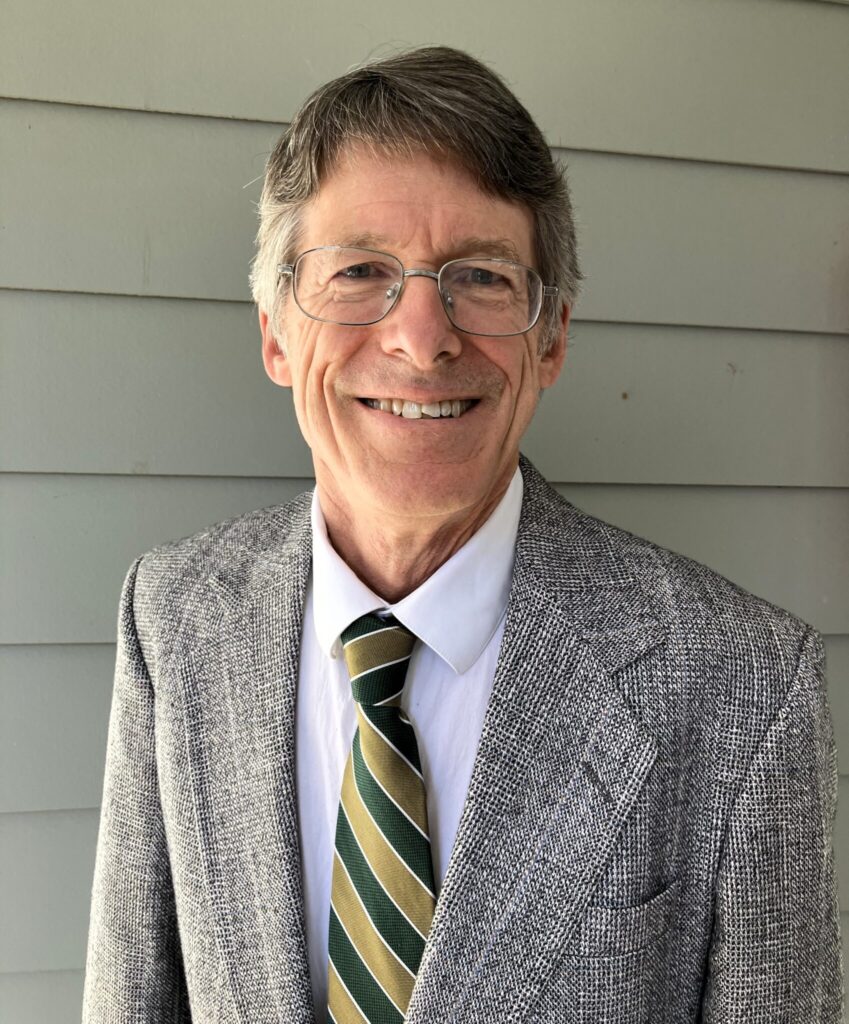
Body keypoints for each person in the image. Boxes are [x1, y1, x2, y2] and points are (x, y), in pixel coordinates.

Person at [82, 45, 843, 1023]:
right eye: (361, 270)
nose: (422, 334)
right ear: (276, 332)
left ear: (553, 336)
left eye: (480, 276)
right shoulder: (176, 619)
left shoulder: (742, 683)